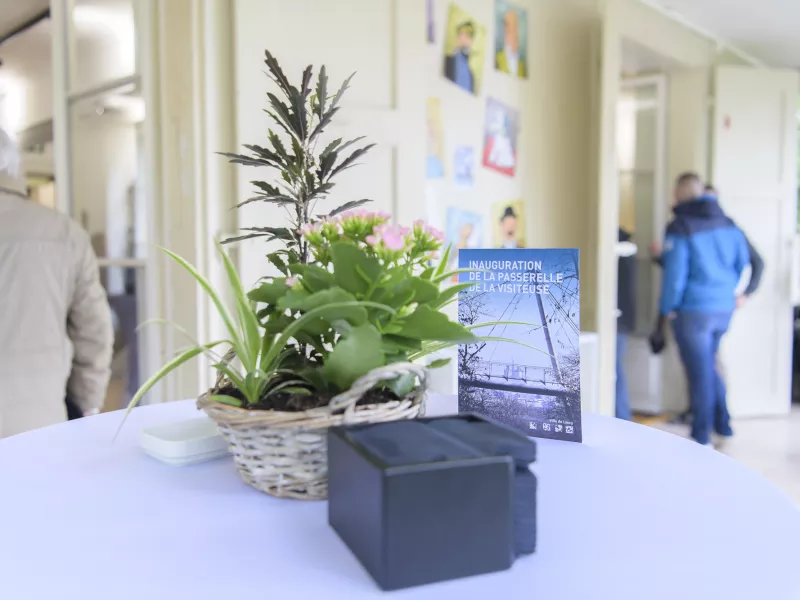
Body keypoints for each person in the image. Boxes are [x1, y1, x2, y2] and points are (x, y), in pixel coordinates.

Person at [0, 128, 113, 437]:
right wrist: (87, 401)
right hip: (38, 421)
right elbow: (93, 329)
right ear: (13, 166)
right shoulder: (63, 233)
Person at [650, 183, 764, 426]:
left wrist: (667, 307)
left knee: (700, 373)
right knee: (710, 366)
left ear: (677, 196)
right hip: (723, 308)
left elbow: (675, 275)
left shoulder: (681, 226)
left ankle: (701, 436)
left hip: (693, 311)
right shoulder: (729, 223)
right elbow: (743, 261)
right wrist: (730, 290)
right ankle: (723, 424)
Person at [615, 227, 638, 420]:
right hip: (623, 319)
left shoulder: (617, 252)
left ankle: (623, 420)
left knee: (614, 373)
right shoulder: (628, 251)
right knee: (616, 371)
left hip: (616, 319)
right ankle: (623, 419)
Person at [444, 21, 476, 94]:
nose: (463, 39)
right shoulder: (446, 61)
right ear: (457, 38)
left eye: (467, 35)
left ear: (471, 41)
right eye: (461, 34)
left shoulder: (471, 76)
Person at [495, 9, 527, 78]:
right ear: (505, 30)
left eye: (515, 26)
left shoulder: (523, 66)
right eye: (509, 26)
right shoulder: (496, 59)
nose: (514, 32)